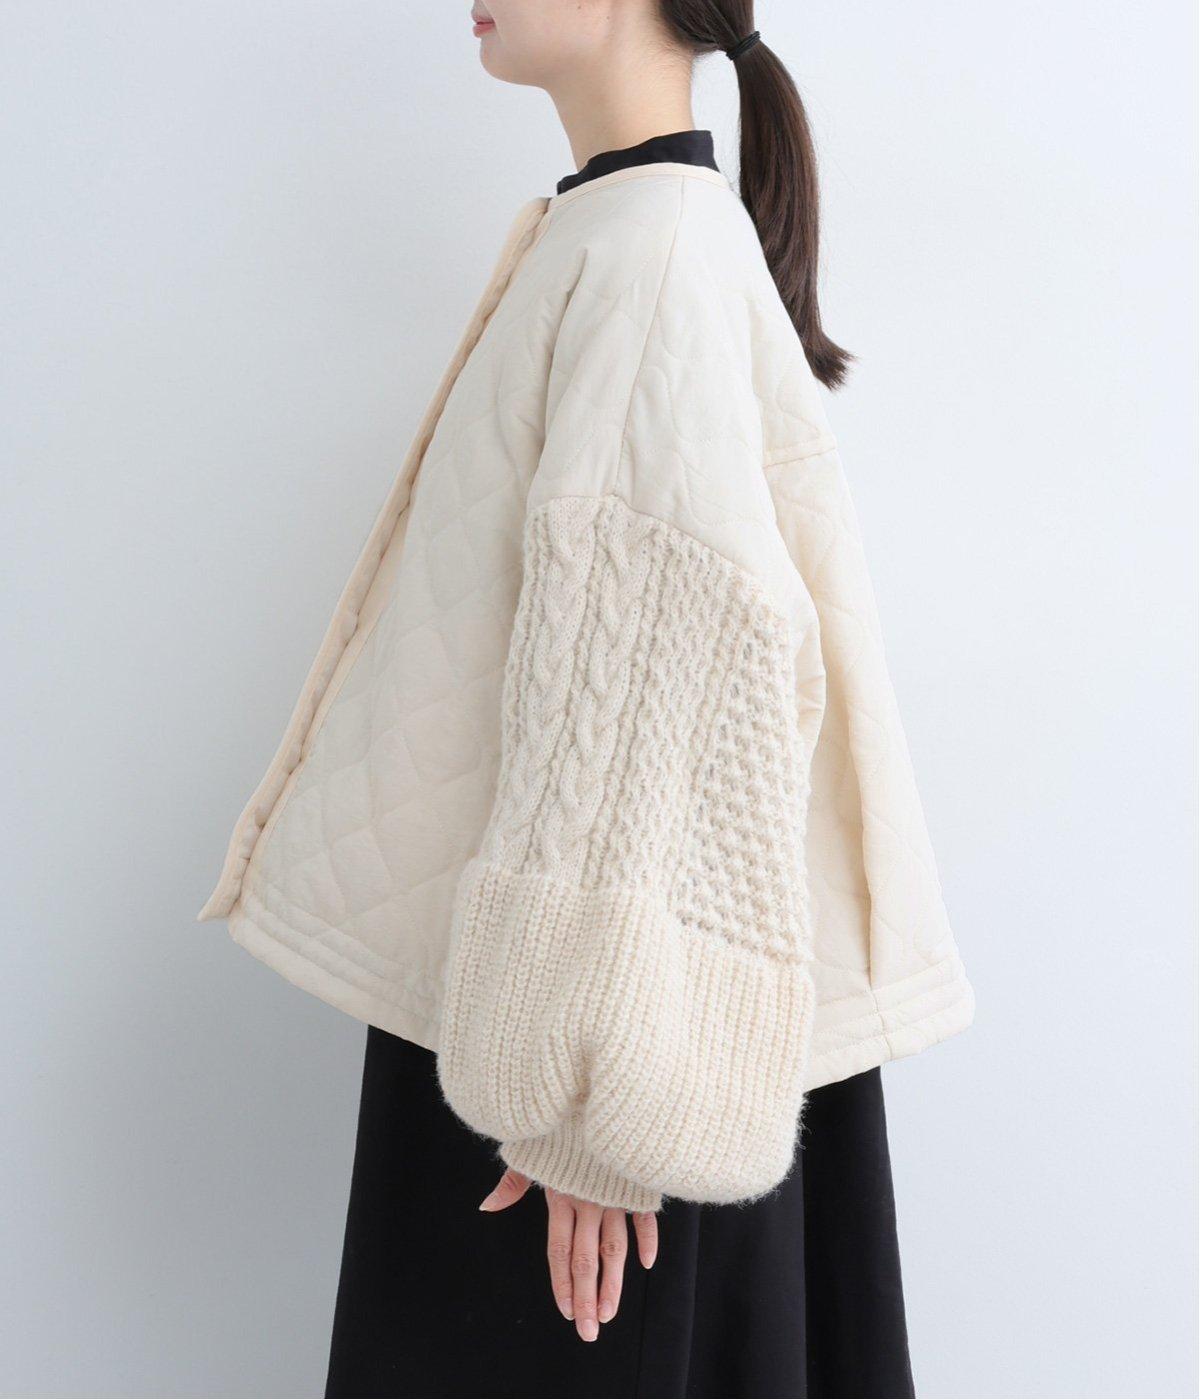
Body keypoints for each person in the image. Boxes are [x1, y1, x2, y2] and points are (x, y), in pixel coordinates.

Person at [197, 2, 974, 1393]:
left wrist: (588, 1121)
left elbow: (666, 670)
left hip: (587, 1047)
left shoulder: (650, 248)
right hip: (565, 1001)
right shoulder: (623, 229)